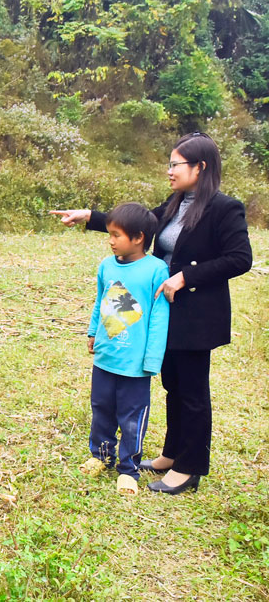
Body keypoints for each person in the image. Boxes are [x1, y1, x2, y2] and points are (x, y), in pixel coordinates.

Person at [52, 132, 253, 494]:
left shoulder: (225, 208)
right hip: (166, 312)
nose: (169, 170)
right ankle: (172, 454)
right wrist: (89, 217)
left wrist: (186, 276)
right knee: (173, 386)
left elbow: (240, 259)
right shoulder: (176, 204)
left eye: (176, 164)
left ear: (199, 167)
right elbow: (139, 226)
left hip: (196, 316)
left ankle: (189, 468)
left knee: (192, 392)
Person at [81, 202, 170, 496]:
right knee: (101, 408)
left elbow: (159, 316)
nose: (110, 240)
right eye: (109, 233)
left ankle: (128, 469)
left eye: (116, 235)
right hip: (106, 358)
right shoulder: (107, 266)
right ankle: (101, 455)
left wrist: (152, 358)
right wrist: (93, 331)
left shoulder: (156, 270)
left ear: (139, 237)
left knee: (132, 418)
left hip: (135, 363)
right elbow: (100, 301)